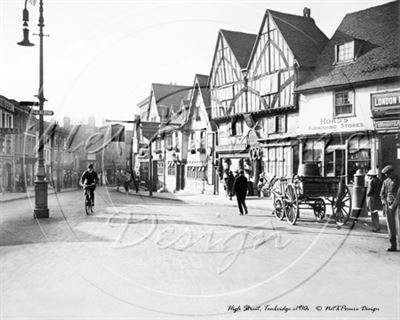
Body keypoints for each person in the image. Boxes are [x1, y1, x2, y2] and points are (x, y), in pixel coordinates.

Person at [380, 165, 399, 252]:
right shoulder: (385, 182)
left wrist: (394, 204)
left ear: (392, 172)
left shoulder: (399, 180)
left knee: (399, 226)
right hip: (388, 205)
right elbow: (382, 194)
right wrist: (384, 202)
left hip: (398, 206)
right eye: (385, 174)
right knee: (390, 226)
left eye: (388, 173)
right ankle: (393, 245)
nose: (387, 175)